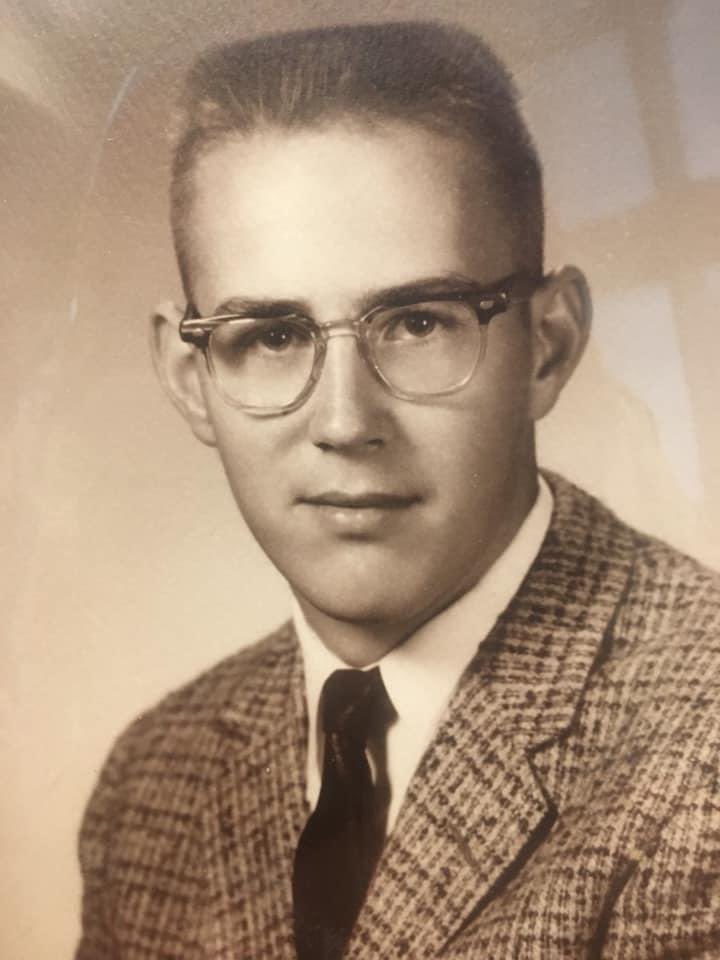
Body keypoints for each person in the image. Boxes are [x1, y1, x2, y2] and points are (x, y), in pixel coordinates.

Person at [76, 21, 720, 960]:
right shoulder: (151, 781)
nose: (345, 421)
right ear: (189, 377)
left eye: (420, 322)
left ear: (549, 346)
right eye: (274, 334)